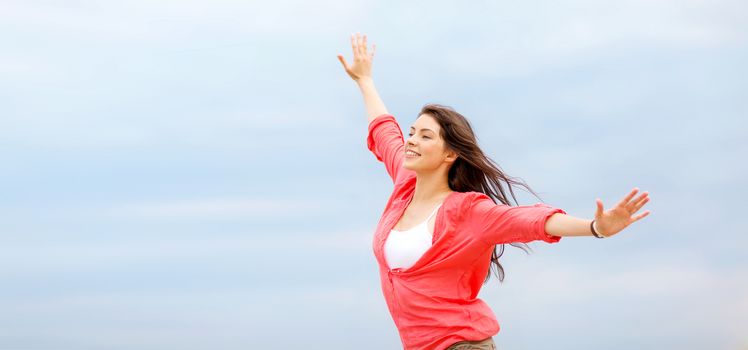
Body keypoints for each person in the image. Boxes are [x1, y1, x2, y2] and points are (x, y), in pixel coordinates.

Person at [337, 32, 651, 350]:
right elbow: (383, 130)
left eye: (426, 136)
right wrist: (364, 81)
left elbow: (531, 221)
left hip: (462, 344)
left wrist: (595, 227)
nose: (413, 140)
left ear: (450, 154)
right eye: (412, 132)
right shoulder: (405, 185)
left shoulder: (469, 211)